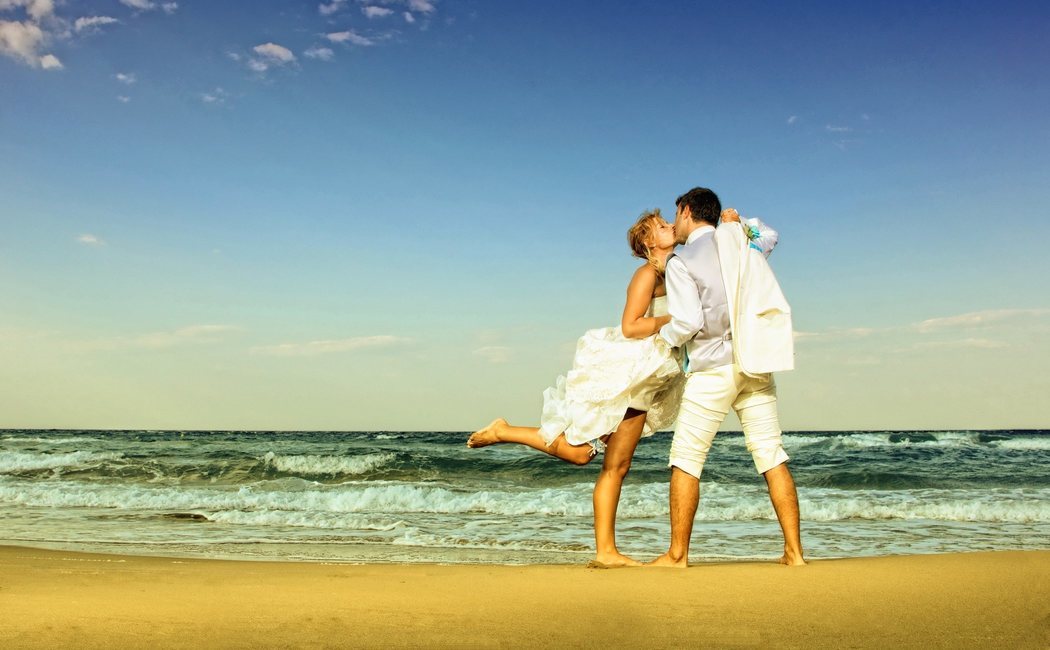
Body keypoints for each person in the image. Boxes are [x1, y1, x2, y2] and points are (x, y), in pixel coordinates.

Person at [466, 209, 684, 567]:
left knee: (585, 455)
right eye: (662, 226)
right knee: (615, 466)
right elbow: (630, 326)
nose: (671, 226)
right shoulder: (647, 274)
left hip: (651, 375)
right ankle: (606, 553)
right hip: (637, 375)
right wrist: (673, 319)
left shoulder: (672, 270)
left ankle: (504, 431)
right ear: (648, 242)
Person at [647, 187, 806, 568]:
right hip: (754, 360)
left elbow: (686, 323)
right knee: (770, 453)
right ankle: (795, 553)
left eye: (676, 215)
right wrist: (739, 222)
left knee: (686, 458)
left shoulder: (681, 262)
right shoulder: (740, 242)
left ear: (686, 211)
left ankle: (678, 555)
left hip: (712, 368)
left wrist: (661, 338)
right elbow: (770, 236)